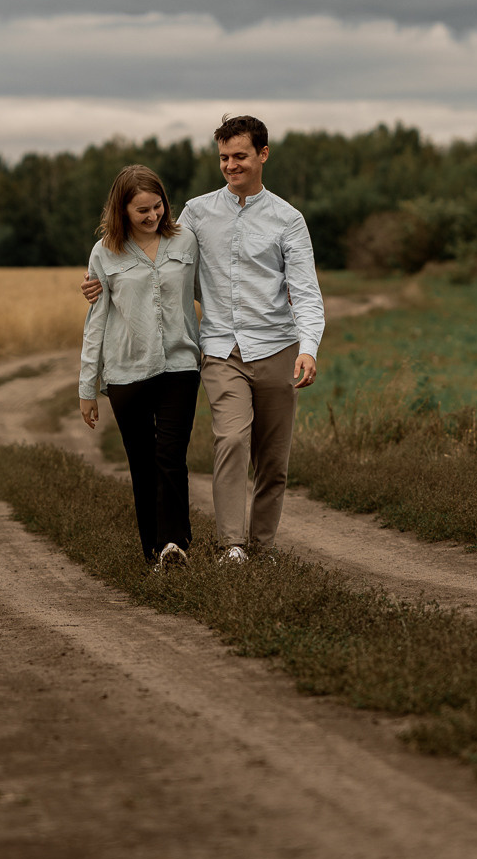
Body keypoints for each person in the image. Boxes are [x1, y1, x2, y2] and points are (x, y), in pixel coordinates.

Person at [84, 115, 323, 564]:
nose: (231, 165)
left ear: (263, 154)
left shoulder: (288, 220)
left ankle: (263, 547)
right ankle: (232, 545)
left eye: (240, 156)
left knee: (273, 461)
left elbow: (306, 292)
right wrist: (104, 278)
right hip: (220, 349)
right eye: (224, 158)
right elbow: (157, 256)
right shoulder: (196, 213)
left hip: (277, 348)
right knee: (231, 440)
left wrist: (308, 348)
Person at [78, 164, 203, 569]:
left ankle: (175, 546)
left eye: (158, 206)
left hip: (180, 365)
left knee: (171, 456)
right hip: (126, 372)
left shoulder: (185, 241)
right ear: (123, 211)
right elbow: (96, 321)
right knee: (143, 464)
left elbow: (212, 291)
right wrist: (87, 387)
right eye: (142, 211)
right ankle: (153, 554)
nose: (153, 216)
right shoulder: (104, 253)